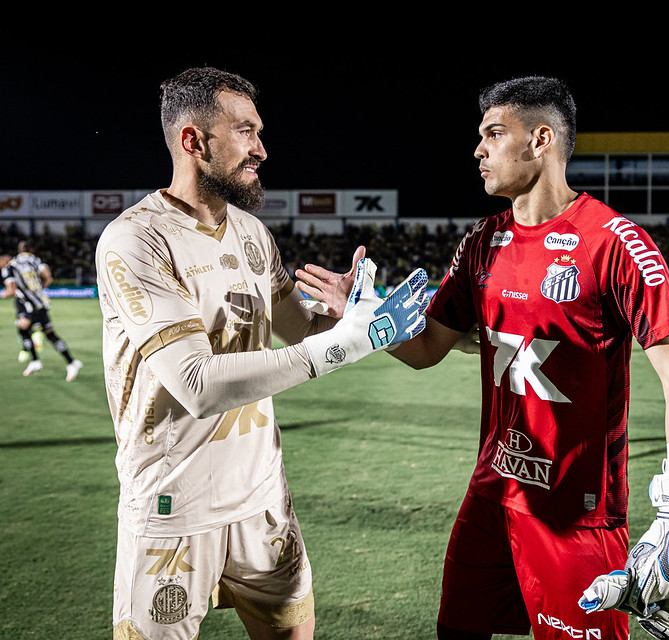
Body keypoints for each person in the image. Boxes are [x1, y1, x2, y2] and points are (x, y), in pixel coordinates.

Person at [298, 75, 669, 640]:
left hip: (575, 513)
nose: (478, 150)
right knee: (456, 629)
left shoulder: (614, 242)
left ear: (541, 139)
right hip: (491, 495)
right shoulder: (481, 242)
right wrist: (366, 319)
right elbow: (426, 349)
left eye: (494, 134)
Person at [94, 66, 427, 640]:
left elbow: (302, 329)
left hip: (263, 501)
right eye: (245, 132)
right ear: (194, 140)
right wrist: (341, 346)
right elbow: (197, 385)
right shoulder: (136, 239)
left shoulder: (252, 232)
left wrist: (349, 314)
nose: (262, 149)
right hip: (176, 509)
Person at [0, 242, 83, 380]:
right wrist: (38, 291)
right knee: (48, 334)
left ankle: (36, 361)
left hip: (29, 306)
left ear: (18, 251)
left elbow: (11, 291)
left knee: (23, 327)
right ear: (31, 250)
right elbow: (48, 277)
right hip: (40, 303)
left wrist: (3, 294)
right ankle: (70, 362)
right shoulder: (36, 260)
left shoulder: (11, 266)